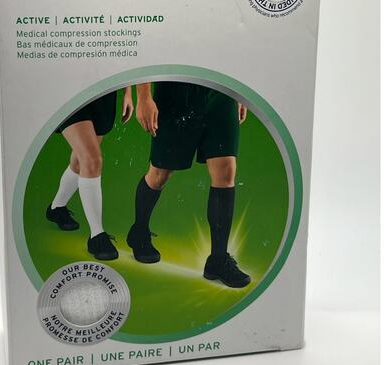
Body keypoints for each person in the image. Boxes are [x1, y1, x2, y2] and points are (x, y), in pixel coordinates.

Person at [127, 81, 251, 288]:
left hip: (220, 91)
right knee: (160, 174)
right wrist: (144, 97)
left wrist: (240, 92)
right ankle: (139, 232)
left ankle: (218, 259)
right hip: (175, 91)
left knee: (226, 169)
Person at [46, 87, 133, 260]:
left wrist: (127, 93)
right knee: (92, 160)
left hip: (102, 91)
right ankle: (97, 236)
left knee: (80, 162)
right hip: (67, 89)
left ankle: (56, 208)